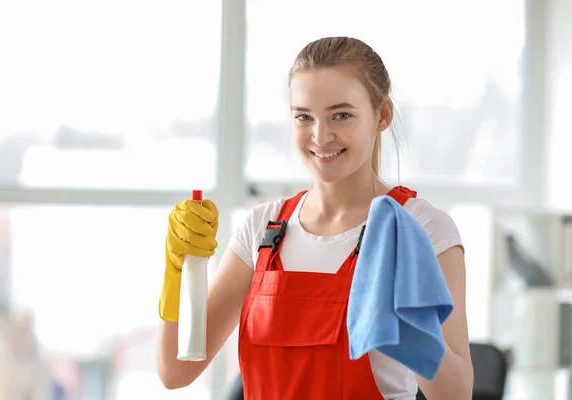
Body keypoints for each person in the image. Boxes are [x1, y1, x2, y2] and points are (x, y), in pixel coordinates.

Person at [157, 36, 473, 400]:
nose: (321, 136)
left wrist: (407, 328)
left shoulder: (422, 227)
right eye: (304, 117)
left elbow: (456, 394)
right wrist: (177, 271)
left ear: (381, 115)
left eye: (341, 114)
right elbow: (175, 372)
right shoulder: (264, 229)